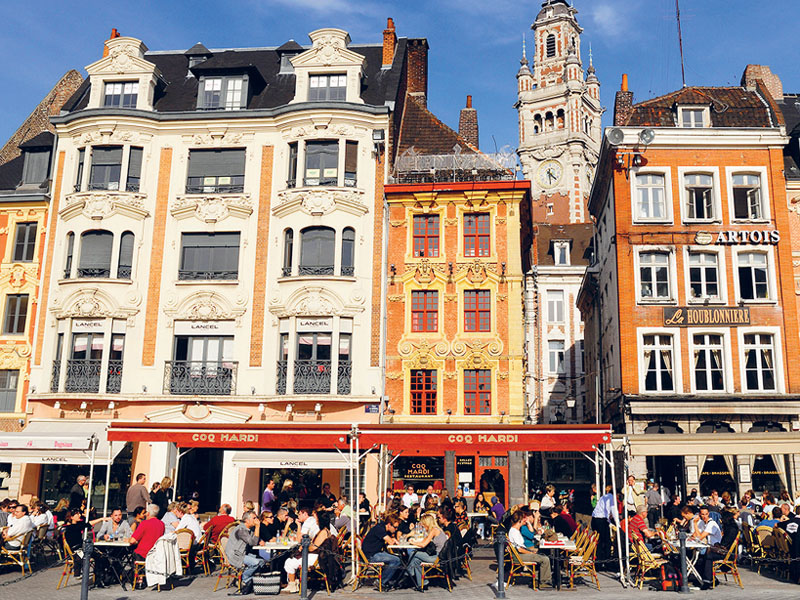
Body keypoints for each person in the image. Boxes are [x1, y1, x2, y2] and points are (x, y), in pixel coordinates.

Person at [283, 510, 333, 593]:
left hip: (316, 558)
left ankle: (292, 584)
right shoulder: (324, 531)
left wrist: (305, 548)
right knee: (292, 559)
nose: (315, 521)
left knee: (289, 562)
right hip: (316, 555)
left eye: (316, 519)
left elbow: (313, 547)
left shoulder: (323, 532)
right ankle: (294, 583)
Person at [507, 510, 552, 587]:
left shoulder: (515, 530)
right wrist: (531, 553)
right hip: (519, 556)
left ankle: (539, 578)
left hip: (520, 553)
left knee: (542, 555)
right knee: (545, 559)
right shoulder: (514, 531)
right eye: (524, 519)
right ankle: (544, 581)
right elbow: (520, 549)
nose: (525, 520)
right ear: (520, 520)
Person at [225, 510, 264, 595]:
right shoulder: (241, 530)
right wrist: (258, 527)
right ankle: (245, 578)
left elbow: (254, 539)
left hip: (242, 553)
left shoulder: (248, 529)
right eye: (254, 518)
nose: (256, 519)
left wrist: (260, 540)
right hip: (235, 556)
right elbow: (253, 542)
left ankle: (253, 581)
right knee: (256, 563)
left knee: (262, 561)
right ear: (247, 520)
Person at [407, 513, 448, 589]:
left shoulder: (434, 530)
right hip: (440, 556)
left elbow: (423, 545)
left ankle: (408, 572)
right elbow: (424, 541)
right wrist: (416, 542)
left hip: (438, 557)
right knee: (416, 560)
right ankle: (422, 584)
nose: (422, 526)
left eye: (423, 524)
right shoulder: (437, 529)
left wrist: (413, 542)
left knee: (413, 553)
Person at [362, 515, 403, 590]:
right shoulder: (379, 529)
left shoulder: (382, 527)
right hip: (371, 555)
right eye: (395, 527)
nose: (396, 529)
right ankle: (381, 582)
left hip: (375, 552)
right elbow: (390, 542)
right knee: (396, 560)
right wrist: (394, 540)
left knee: (398, 558)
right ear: (389, 525)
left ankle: (391, 580)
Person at [691, 506, 723, 589]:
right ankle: (708, 579)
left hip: (716, 550)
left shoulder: (711, 523)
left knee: (705, 556)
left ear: (708, 514)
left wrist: (694, 523)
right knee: (693, 555)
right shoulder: (702, 523)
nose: (704, 516)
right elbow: (695, 535)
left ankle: (707, 581)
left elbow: (700, 537)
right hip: (708, 548)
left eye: (706, 514)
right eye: (702, 514)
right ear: (699, 515)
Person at [591, 485, 616, 563]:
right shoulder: (611, 497)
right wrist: (617, 523)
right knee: (606, 541)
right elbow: (612, 510)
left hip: (595, 518)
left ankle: (599, 559)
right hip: (601, 519)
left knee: (600, 540)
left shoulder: (604, 497)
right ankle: (605, 560)